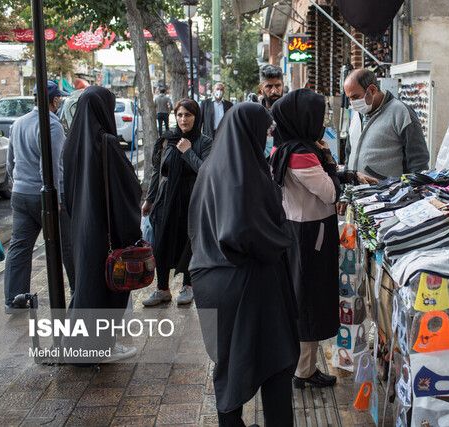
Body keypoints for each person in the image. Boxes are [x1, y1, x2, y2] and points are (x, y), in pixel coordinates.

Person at [189, 103, 299, 426]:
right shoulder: (242, 174)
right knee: (275, 359)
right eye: (265, 132)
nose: (268, 138)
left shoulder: (211, 167)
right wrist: (282, 238)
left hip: (213, 278)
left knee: (231, 362)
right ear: (248, 131)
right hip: (247, 282)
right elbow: (241, 230)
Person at [62, 86, 141, 361]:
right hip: (107, 230)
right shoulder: (106, 143)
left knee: (87, 285)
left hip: (82, 228)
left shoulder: (72, 143)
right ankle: (98, 348)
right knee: (106, 289)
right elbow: (128, 190)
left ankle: (80, 346)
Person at [269, 88, 341, 389]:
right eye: (318, 114)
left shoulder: (282, 147)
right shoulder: (302, 154)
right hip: (311, 235)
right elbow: (330, 192)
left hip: (296, 230)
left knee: (300, 298)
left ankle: (300, 365)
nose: (322, 120)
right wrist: (329, 160)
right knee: (308, 301)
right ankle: (304, 371)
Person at [4, 80, 73, 314]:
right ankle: (79, 291)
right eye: (59, 99)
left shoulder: (18, 123)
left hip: (20, 194)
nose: (60, 102)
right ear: (54, 101)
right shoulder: (52, 126)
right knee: (68, 245)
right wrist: (56, 198)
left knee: (19, 248)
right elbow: (52, 166)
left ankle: (13, 299)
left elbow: (10, 162)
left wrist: (18, 185)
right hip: (44, 197)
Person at [141, 98, 212, 306]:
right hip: (167, 201)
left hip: (192, 201)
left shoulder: (204, 142)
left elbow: (206, 172)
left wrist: (188, 152)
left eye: (188, 115)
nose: (183, 119)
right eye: (180, 115)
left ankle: (187, 286)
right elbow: (157, 172)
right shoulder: (166, 140)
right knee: (162, 243)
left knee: (188, 243)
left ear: (196, 117)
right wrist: (149, 200)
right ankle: (162, 289)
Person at [344, 68, 430, 179]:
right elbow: (349, 151)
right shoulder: (357, 114)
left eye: (355, 97)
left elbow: (418, 160)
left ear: (372, 90)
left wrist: (413, 191)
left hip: (386, 193)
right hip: (356, 192)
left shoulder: (401, 113)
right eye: (349, 98)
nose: (352, 102)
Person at [259, 64, 285, 157]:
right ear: (261, 88)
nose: (274, 91)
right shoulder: (256, 114)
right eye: (269, 87)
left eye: (277, 86)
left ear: (283, 85)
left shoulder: (291, 112)